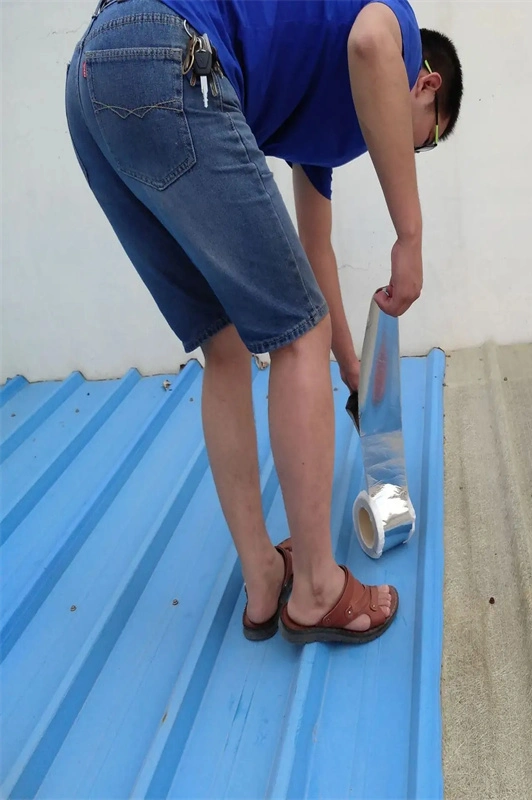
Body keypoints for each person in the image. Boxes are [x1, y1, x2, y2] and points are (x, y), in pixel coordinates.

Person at [65, 0, 463, 645]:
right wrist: (409, 236)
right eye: (432, 134)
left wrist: (352, 368)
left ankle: (261, 578)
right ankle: (316, 589)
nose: (419, 147)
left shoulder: (324, 134)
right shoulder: (396, 30)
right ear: (425, 86)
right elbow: (370, 41)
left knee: (225, 345)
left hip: (93, 80)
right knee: (293, 335)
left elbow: (314, 253)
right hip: (170, 58)